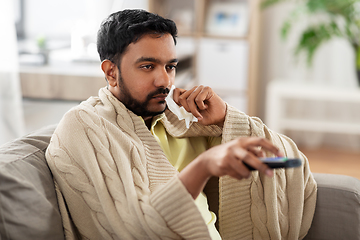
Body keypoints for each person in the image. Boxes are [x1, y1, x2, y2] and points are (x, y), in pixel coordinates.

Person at [45, 9, 317, 240]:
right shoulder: (84, 126)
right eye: (148, 66)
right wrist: (204, 165)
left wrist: (226, 118)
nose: (164, 81)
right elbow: (134, 229)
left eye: (170, 66)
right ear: (111, 72)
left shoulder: (184, 123)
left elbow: (292, 166)